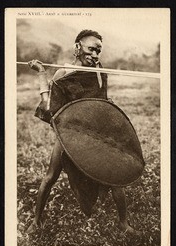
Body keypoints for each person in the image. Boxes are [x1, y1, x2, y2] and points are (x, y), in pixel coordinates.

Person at [28, 29, 135, 234]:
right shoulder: (63, 73)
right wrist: (42, 73)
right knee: (50, 177)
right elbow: (49, 106)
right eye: (91, 49)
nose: (95, 55)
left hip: (95, 134)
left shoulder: (99, 71)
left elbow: (101, 103)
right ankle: (35, 221)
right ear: (77, 47)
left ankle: (123, 224)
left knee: (115, 177)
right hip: (69, 133)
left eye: (98, 51)